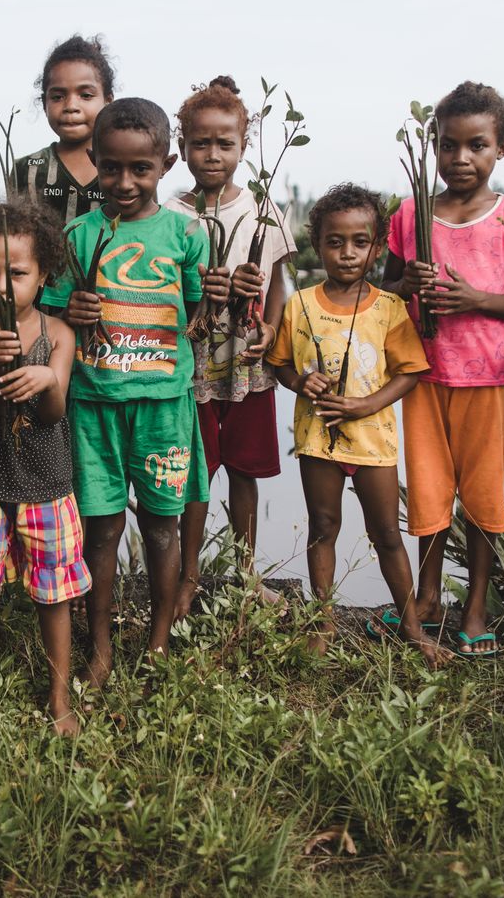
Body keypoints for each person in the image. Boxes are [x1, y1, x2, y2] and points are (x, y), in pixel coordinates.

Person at [40, 96, 226, 687]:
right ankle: (98, 649)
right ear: (94, 159)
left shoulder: (185, 233)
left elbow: (197, 304)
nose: (124, 181)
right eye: (112, 167)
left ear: (165, 164)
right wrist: (71, 305)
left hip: (164, 408)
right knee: (101, 529)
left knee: (162, 526)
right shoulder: (76, 234)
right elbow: (48, 309)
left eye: (140, 169)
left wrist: (214, 299)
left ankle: (159, 642)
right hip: (93, 405)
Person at [382, 81, 504, 658]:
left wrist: (474, 299)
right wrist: (407, 286)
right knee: (428, 495)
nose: (460, 158)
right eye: (448, 146)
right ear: (432, 147)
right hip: (422, 376)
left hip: (488, 376)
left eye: (476, 145)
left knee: (482, 497)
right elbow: (388, 285)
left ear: (500, 147)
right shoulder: (411, 214)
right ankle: (427, 599)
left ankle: (475, 608)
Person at [267, 183, 449, 666]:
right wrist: (300, 383)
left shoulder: (390, 308)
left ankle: (411, 626)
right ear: (318, 243)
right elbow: (282, 364)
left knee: (387, 533)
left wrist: (367, 404)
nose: (347, 253)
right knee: (323, 527)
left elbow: (411, 371)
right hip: (316, 439)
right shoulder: (300, 304)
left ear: (377, 247)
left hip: (373, 443)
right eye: (334, 242)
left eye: (359, 242)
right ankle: (323, 622)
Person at [161, 75, 295, 617]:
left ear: (244, 145)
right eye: (200, 143)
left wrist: (269, 329)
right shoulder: (170, 213)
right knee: (193, 474)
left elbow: (281, 282)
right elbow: (160, 290)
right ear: (183, 146)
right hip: (188, 366)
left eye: (225, 143)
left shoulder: (262, 210)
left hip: (245, 364)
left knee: (244, 471)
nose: (212, 154)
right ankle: (187, 577)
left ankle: (244, 573)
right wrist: (200, 291)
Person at [0, 200, 89, 734]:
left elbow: (53, 413)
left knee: (52, 594)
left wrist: (48, 381)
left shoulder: (59, 334)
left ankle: (60, 698)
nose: (2, 287)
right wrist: (1, 361)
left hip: (46, 481)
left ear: (44, 274)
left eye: (17, 273)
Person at [10, 34, 116, 224]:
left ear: (108, 101)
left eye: (85, 95)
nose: (70, 106)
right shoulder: (27, 170)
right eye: (58, 97)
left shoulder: (127, 167)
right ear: (44, 103)